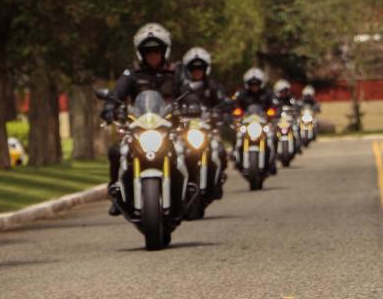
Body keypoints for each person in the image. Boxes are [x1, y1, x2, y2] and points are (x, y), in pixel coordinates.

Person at [100, 23, 179, 213]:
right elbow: (116, 94)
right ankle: (116, 191)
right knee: (117, 151)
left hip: (169, 127)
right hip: (139, 127)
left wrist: (191, 104)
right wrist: (110, 108)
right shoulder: (131, 74)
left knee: (189, 151)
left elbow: (189, 92)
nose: (153, 55)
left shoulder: (176, 72)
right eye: (148, 51)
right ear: (140, 53)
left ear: (164, 51)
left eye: (157, 51)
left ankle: (190, 190)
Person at [177, 46, 228, 198]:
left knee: (218, 150)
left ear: (206, 69)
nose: (197, 71)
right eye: (193, 68)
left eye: (200, 68)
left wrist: (223, 114)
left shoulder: (213, 86)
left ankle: (218, 180)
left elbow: (223, 102)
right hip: (183, 129)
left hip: (207, 128)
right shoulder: (180, 87)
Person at [232, 68, 277, 172]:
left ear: (261, 83)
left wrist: (273, 112)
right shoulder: (242, 94)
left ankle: (273, 160)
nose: (254, 86)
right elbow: (234, 105)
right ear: (247, 84)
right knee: (237, 135)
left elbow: (275, 104)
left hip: (263, 123)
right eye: (251, 84)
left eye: (256, 83)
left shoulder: (268, 93)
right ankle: (236, 157)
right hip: (247, 123)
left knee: (272, 137)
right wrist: (236, 112)